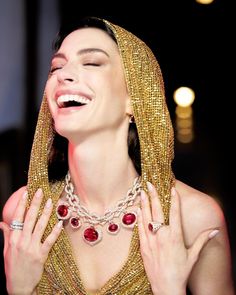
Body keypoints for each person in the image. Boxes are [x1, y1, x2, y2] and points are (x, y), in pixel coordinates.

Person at [0, 16, 234, 295]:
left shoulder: (194, 217)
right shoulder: (25, 212)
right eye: (56, 66)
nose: (63, 74)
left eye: (92, 62)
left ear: (135, 98)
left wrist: (170, 289)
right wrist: (19, 289)